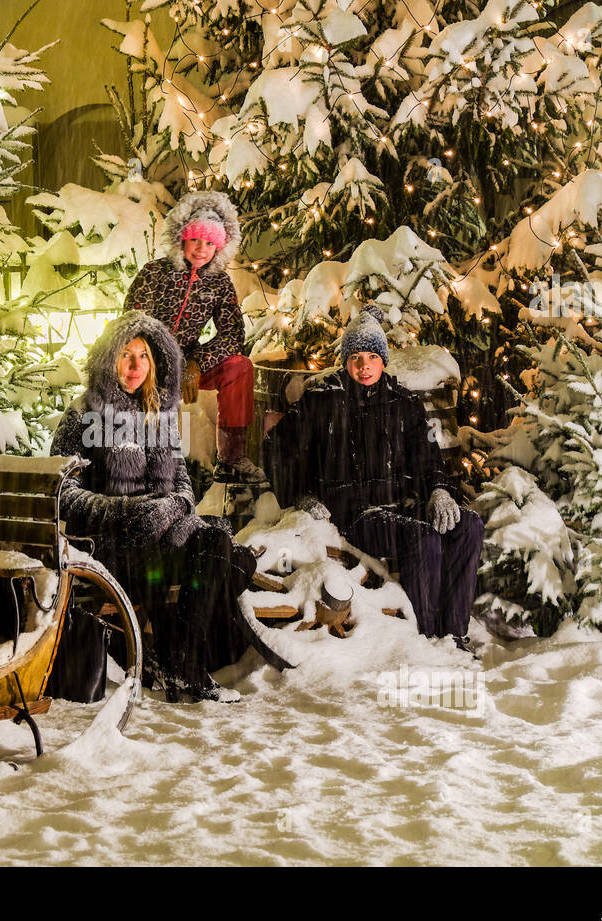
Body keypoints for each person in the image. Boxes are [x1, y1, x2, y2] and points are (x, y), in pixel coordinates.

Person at [50, 310, 255, 702]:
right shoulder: (82, 417)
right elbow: (63, 493)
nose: (135, 366)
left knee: (221, 550)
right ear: (108, 358)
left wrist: (167, 509)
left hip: (158, 542)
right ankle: (171, 656)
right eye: (126, 354)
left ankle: (183, 661)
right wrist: (125, 512)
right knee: (222, 557)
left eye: (143, 356)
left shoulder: (157, 416)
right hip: (110, 548)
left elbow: (181, 485)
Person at [263, 305, 484, 646]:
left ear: (383, 360)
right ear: (345, 361)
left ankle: (452, 633)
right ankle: (425, 637)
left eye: (371, 356)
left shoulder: (404, 403)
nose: (364, 365)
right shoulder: (321, 401)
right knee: (422, 539)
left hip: (401, 503)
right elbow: (275, 449)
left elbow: (428, 457)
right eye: (355, 357)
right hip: (355, 512)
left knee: (468, 525)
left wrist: (439, 489)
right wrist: (300, 497)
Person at [124, 191, 266, 484]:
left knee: (239, 367)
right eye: (195, 240)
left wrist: (197, 362)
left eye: (210, 242)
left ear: (220, 247)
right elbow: (132, 327)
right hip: (148, 365)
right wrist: (162, 366)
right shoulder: (155, 274)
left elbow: (233, 333)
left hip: (190, 361)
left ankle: (231, 458)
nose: (202, 249)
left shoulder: (219, 283)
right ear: (181, 239)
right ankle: (145, 463)